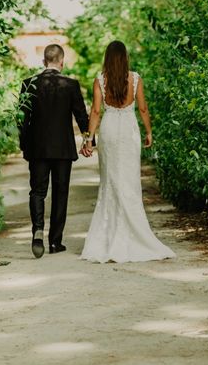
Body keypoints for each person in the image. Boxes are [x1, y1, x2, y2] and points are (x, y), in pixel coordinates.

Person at [79, 40, 176, 263]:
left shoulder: (100, 80)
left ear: (107, 58)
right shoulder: (135, 78)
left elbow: (95, 111)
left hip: (110, 130)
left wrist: (88, 138)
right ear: (125, 57)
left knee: (110, 181)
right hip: (129, 131)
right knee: (130, 181)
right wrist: (149, 131)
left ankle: (109, 235)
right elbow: (143, 108)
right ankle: (135, 234)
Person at [19, 44, 90, 259]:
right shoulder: (70, 85)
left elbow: (21, 119)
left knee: (37, 191)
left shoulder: (29, 84)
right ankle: (55, 242)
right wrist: (89, 140)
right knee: (60, 194)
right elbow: (81, 116)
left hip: (38, 149)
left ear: (43, 62)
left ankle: (37, 231)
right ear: (62, 61)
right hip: (62, 150)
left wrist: (24, 145)